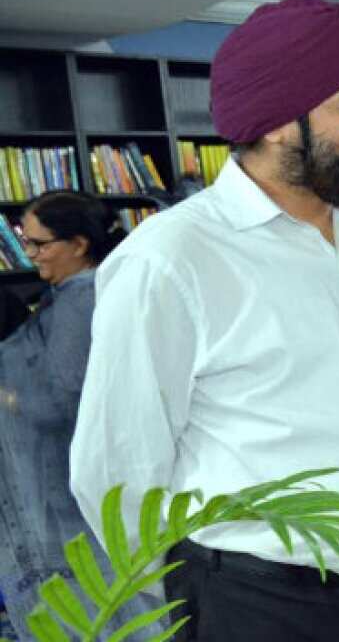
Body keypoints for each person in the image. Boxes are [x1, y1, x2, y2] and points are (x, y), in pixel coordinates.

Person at [70, 0, 339, 642]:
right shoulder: (171, 259)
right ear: (274, 122)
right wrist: (185, 607)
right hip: (261, 609)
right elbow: (117, 468)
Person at [0, 192, 161, 639]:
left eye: (38, 244)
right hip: (82, 488)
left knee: (95, 611)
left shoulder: (81, 301)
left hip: (69, 496)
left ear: (78, 244)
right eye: (24, 242)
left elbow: (61, 399)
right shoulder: (92, 292)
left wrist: (7, 396)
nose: (29, 255)